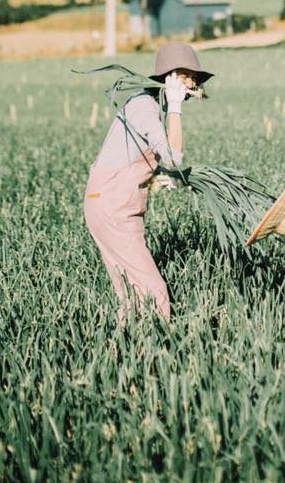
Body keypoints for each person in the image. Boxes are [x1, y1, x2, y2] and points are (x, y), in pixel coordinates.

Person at [83, 42, 213, 321]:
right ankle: (156, 352)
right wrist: (176, 108)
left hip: (112, 205)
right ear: (166, 77)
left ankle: (125, 352)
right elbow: (174, 157)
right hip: (113, 208)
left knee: (131, 294)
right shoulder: (144, 106)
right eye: (184, 74)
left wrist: (160, 179)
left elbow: (138, 159)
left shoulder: (150, 104)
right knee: (153, 291)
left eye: (194, 76)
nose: (191, 82)